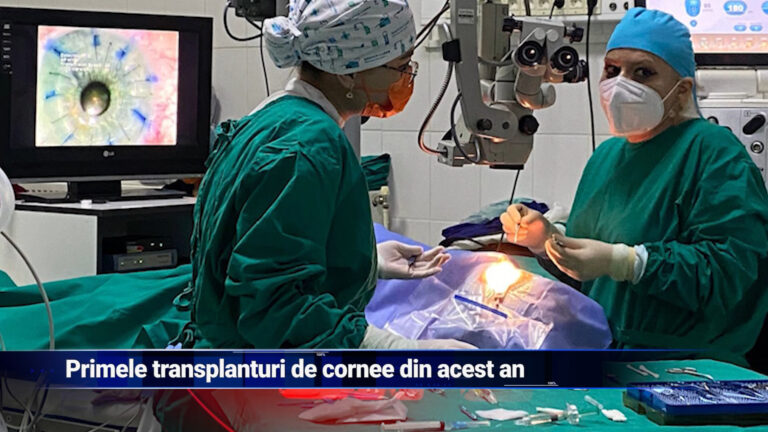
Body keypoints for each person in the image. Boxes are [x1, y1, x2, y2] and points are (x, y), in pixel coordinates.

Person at [183, 0, 474, 350]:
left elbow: (258, 247)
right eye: (399, 66)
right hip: (254, 372)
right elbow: (275, 305)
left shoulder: (275, 117)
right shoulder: (308, 146)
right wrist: (393, 350)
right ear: (348, 71)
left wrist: (360, 261)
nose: (405, 78)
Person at [500, 8, 768, 365]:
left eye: (643, 72)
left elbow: (728, 276)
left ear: (682, 90)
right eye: (612, 71)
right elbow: (587, 275)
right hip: (608, 358)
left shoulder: (714, 154)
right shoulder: (606, 157)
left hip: (688, 366)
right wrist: (547, 241)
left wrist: (626, 262)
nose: (621, 84)